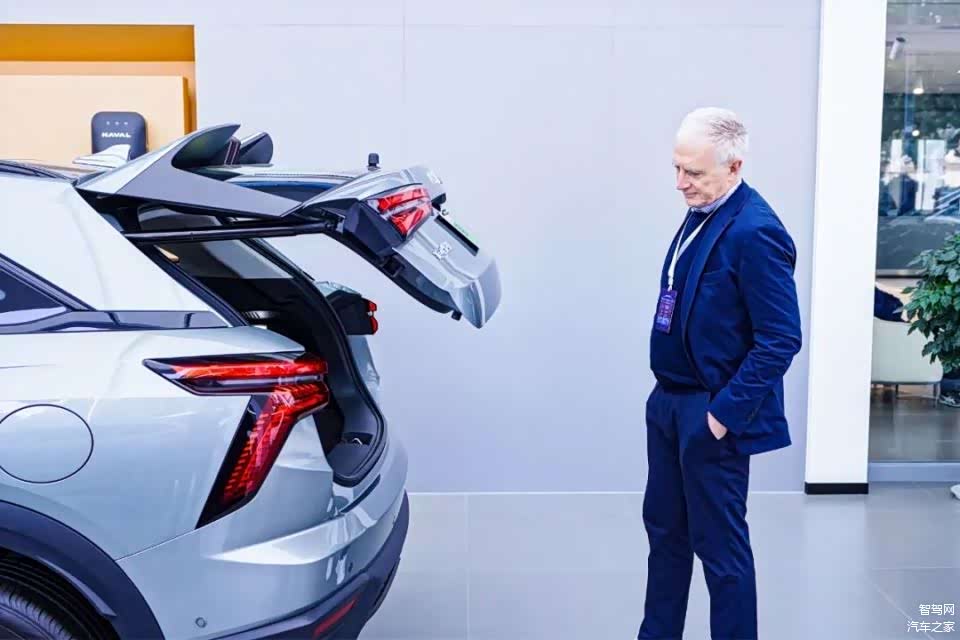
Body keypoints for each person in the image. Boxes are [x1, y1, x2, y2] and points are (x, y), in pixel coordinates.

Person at [639, 108, 802, 640]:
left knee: (721, 551)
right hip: (669, 405)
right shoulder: (703, 209)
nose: (680, 183)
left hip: (710, 413)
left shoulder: (756, 231)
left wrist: (721, 416)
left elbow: (781, 338)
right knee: (665, 536)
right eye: (677, 168)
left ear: (734, 167)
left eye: (694, 172)